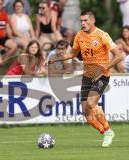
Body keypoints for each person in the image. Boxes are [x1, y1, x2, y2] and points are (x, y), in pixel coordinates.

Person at [49, 11, 122, 147]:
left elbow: (119, 56)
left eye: (85, 20)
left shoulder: (102, 35)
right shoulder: (79, 36)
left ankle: (107, 130)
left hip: (102, 75)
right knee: (85, 113)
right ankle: (106, 132)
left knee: (91, 103)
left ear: (93, 20)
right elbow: (73, 53)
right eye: (81, 20)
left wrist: (103, 69)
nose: (82, 23)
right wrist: (57, 58)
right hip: (87, 76)